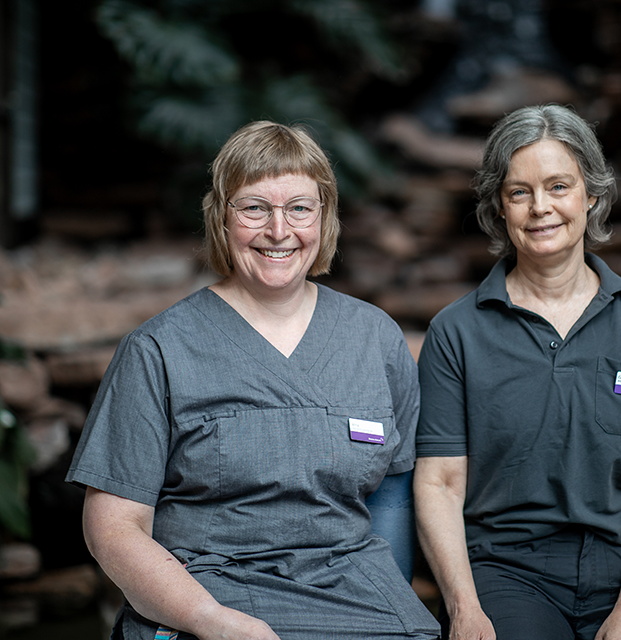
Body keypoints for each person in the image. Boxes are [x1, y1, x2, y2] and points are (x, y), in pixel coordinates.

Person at [67, 121, 441, 640]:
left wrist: (391, 609)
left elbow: (393, 497)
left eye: (299, 208)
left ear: (324, 218)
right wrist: (209, 620)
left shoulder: (373, 337)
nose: (279, 230)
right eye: (254, 207)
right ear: (221, 218)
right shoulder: (158, 350)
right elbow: (112, 528)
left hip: (356, 597)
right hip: (205, 596)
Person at [413, 104, 621, 640]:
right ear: (500, 206)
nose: (540, 207)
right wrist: (464, 608)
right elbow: (441, 484)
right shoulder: (456, 332)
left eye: (558, 186)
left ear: (591, 194)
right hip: (506, 571)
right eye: (519, 191)